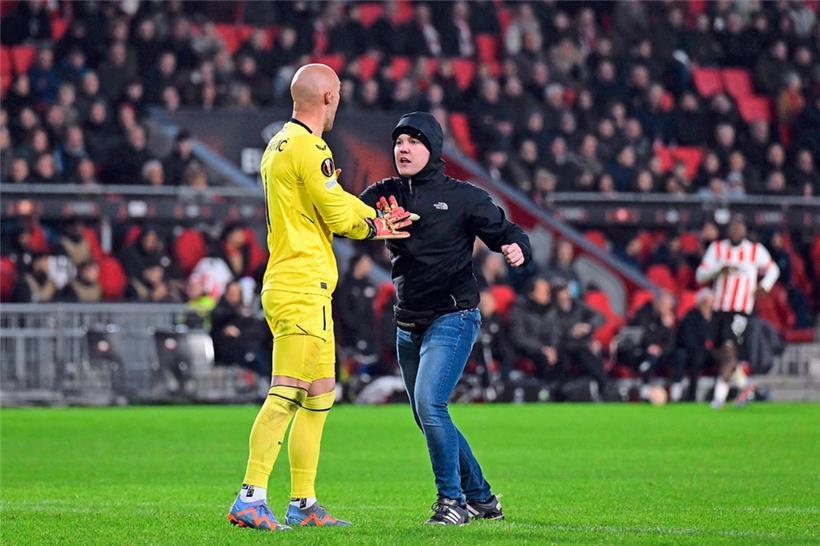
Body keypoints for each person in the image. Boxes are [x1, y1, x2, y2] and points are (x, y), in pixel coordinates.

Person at [228, 63, 418, 531]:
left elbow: (332, 196)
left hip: (306, 286)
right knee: (286, 392)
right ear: (328, 97)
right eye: (339, 93)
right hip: (298, 286)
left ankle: (304, 503)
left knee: (319, 395)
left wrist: (375, 212)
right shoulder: (311, 148)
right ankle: (249, 497)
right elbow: (335, 211)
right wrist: (376, 226)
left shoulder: (281, 144)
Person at [359, 112, 531, 525]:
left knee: (430, 405)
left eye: (414, 142)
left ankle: (451, 502)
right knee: (427, 413)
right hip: (409, 321)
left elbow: (508, 231)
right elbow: (341, 215)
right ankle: (483, 498)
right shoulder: (384, 193)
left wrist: (515, 247)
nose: (403, 148)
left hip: (453, 316)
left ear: (433, 149)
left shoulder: (463, 197)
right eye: (399, 141)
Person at [695, 216, 779, 409]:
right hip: (719, 309)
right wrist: (719, 269)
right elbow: (700, 275)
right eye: (733, 227)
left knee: (728, 350)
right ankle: (745, 384)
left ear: (745, 230)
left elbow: (773, 269)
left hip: (741, 309)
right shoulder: (717, 249)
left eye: (740, 227)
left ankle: (718, 399)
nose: (736, 231)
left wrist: (764, 286)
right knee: (717, 349)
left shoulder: (754, 250)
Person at [508, 276, 559, 381]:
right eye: (543, 291)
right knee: (543, 360)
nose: (548, 294)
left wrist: (553, 348)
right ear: (531, 294)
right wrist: (542, 348)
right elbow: (518, 337)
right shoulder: (519, 310)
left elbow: (555, 332)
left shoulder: (551, 310)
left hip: (548, 348)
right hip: (528, 349)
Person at [674, 288, 715, 402]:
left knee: (723, 359)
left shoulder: (715, 318)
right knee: (695, 360)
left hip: (709, 352)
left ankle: (718, 393)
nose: (709, 305)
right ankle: (692, 396)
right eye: (706, 302)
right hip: (694, 351)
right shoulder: (690, 317)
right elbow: (688, 339)